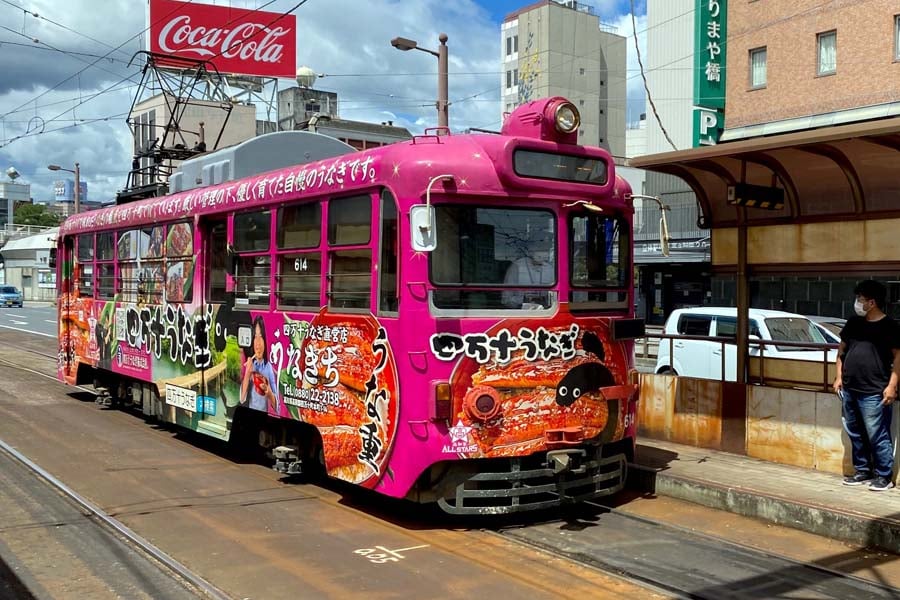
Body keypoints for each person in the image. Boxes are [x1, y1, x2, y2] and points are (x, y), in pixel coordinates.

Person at [833, 279, 900, 492]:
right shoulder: (854, 323)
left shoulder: (890, 326)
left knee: (877, 433)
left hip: (875, 390)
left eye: (860, 299)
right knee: (854, 430)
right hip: (850, 388)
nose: (857, 302)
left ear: (871, 302)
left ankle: (884, 476)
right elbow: (841, 351)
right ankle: (862, 470)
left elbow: (898, 358)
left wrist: (892, 386)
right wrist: (838, 377)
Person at [241, 316, 279, 413]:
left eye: (261, 336)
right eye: (255, 337)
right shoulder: (250, 364)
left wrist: (269, 392)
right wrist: (247, 374)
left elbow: (277, 408)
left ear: (265, 341)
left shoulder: (268, 367)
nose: (258, 342)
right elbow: (242, 398)